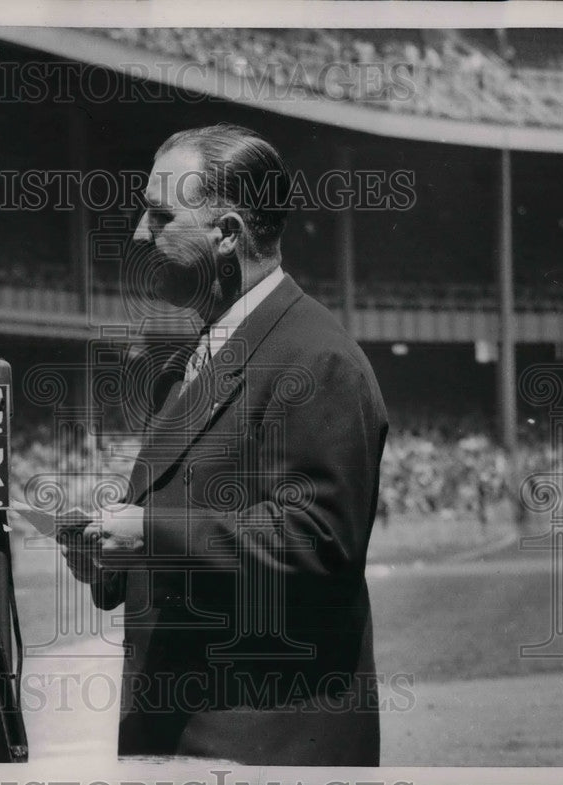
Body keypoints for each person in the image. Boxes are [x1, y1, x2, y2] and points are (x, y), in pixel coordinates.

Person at [62, 123, 388, 766]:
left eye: (160, 217)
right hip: (179, 731)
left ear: (228, 233)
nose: (137, 234)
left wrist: (148, 534)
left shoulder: (317, 357)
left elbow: (319, 545)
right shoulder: (196, 351)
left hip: (265, 741)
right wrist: (113, 559)